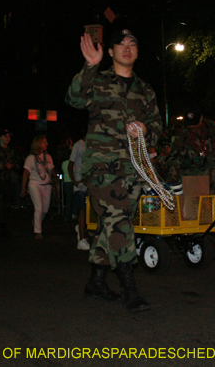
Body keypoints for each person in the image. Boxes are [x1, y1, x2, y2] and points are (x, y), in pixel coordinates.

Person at [65, 28, 162, 313]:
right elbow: (73, 98)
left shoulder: (145, 89)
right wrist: (89, 66)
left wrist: (147, 130)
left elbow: (157, 128)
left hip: (133, 170)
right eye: (121, 44)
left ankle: (96, 281)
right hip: (102, 169)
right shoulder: (98, 81)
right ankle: (129, 286)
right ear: (111, 51)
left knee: (114, 224)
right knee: (119, 220)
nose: (128, 48)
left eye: (133, 43)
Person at [21, 135, 56, 239]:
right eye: (44, 142)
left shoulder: (48, 157)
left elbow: (53, 172)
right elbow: (25, 173)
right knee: (39, 208)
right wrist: (23, 188)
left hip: (46, 185)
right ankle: (37, 231)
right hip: (35, 184)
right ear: (38, 144)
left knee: (45, 209)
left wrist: (55, 185)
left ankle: (37, 221)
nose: (46, 144)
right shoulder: (30, 158)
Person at [68, 135, 90, 250]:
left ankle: (82, 230)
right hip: (80, 182)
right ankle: (81, 239)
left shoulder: (93, 143)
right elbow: (70, 165)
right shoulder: (78, 145)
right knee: (83, 208)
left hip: (89, 182)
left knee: (89, 209)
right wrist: (75, 182)